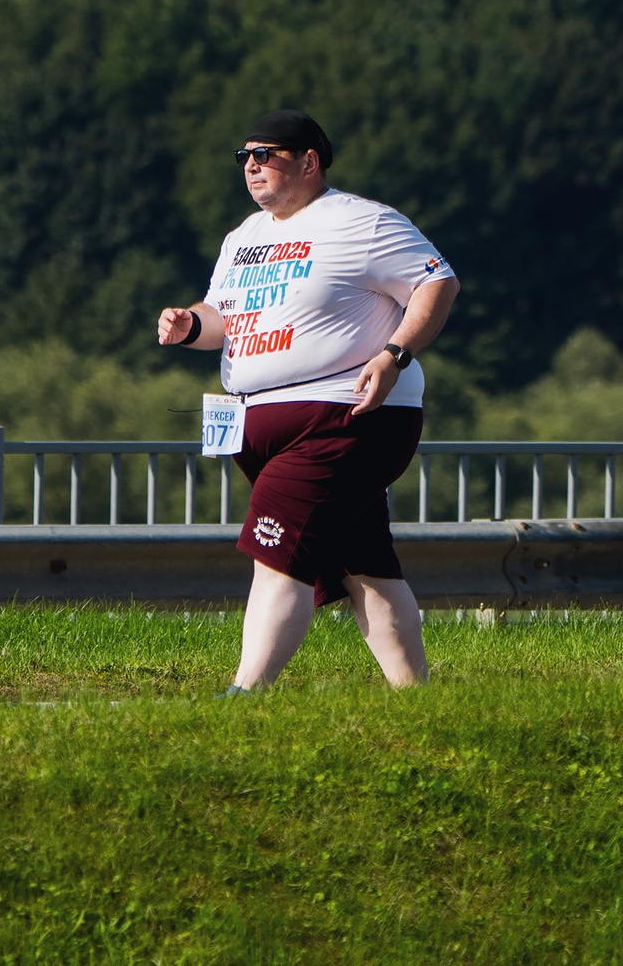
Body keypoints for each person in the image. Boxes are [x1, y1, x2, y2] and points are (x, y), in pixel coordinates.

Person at [155, 110, 460, 691]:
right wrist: (190, 324)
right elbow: (226, 318)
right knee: (363, 564)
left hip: (345, 417)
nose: (251, 167)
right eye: (243, 157)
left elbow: (438, 280)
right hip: (257, 420)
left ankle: (245, 693)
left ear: (308, 162)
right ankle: (418, 698)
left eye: (264, 155)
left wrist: (395, 355)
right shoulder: (244, 236)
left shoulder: (362, 221)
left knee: (276, 553)